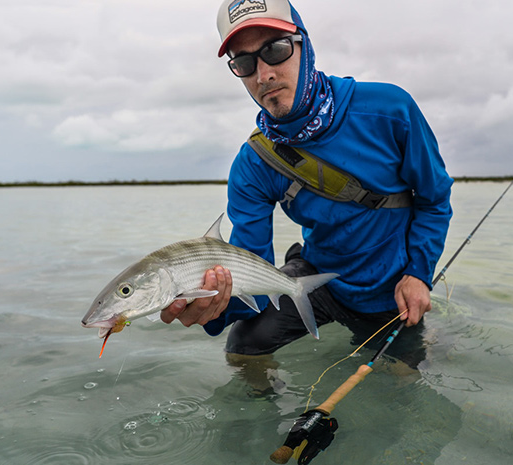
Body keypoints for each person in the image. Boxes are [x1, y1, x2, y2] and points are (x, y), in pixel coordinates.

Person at [161, 0, 452, 372]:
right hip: (321, 281)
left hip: (391, 291)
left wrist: (418, 274)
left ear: (305, 46)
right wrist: (210, 306)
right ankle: (263, 425)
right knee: (243, 345)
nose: (263, 74)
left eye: (275, 50)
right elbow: (251, 264)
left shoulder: (390, 110)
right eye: (245, 63)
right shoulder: (253, 164)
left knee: (405, 381)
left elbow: (435, 200)